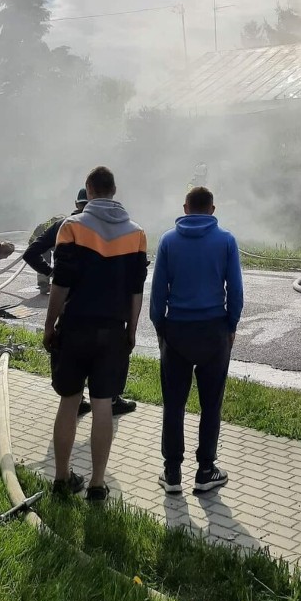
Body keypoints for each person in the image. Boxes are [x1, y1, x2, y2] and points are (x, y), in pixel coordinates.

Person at [44, 165, 147, 501]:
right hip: (113, 330)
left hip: (75, 328)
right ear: (114, 191)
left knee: (69, 403)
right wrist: (132, 330)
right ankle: (98, 484)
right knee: (103, 406)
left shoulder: (71, 227)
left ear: (89, 190)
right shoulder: (137, 234)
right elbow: (136, 290)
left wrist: (49, 324)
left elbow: (60, 283)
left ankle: (61, 478)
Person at [151, 185, 243, 495]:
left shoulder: (168, 241)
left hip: (176, 330)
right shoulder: (226, 241)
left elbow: (157, 294)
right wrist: (230, 326)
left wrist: (161, 329)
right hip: (214, 331)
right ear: (212, 210)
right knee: (211, 405)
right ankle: (205, 471)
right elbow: (236, 292)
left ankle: (172, 473)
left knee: (174, 404)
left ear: (185, 208)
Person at [24, 188, 136, 418]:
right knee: (104, 378)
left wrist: (52, 273)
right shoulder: (116, 225)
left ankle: (78, 401)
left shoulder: (63, 225)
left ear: (78, 202)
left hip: (71, 312)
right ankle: (110, 400)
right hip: (109, 314)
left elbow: (31, 252)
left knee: (71, 384)